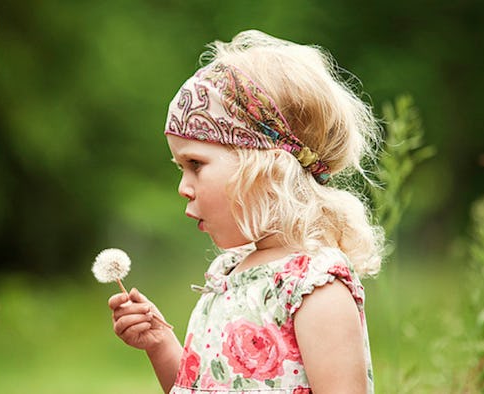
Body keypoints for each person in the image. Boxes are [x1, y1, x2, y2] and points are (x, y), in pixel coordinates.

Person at [108, 30, 384, 394]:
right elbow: (203, 386)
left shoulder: (313, 286)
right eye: (181, 168)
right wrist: (161, 344)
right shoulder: (228, 274)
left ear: (265, 167)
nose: (183, 187)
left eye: (195, 164)